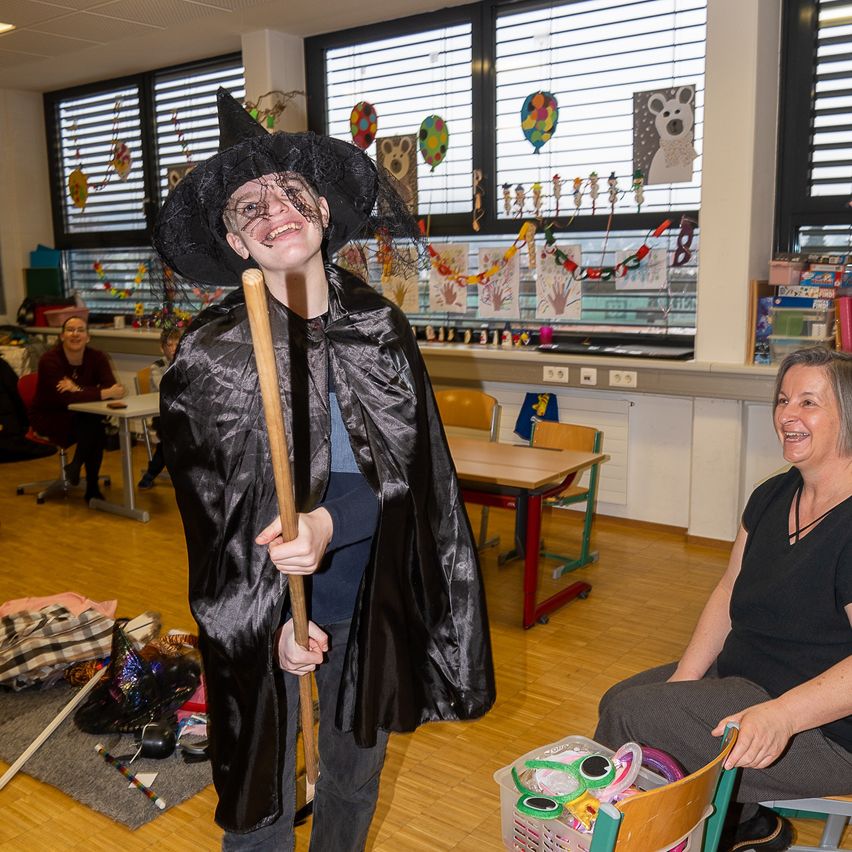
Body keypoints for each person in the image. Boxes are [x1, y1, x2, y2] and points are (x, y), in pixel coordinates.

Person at [154, 89, 495, 849]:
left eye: (289, 191)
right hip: (269, 612)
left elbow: (416, 479)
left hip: (367, 598)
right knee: (262, 797)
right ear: (236, 244)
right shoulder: (209, 357)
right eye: (249, 206)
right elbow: (214, 524)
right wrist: (264, 618)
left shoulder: (379, 326)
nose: (274, 209)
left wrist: (332, 518)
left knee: (350, 778)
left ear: (323, 211)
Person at [594, 346, 852, 852]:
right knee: (622, 701)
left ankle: (643, 838)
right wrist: (684, 681)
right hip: (748, 679)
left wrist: (784, 715)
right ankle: (744, 821)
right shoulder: (772, 496)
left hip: (825, 727)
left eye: (809, 402)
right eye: (782, 400)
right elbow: (727, 590)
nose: (788, 416)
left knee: (634, 718)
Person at [30, 316, 125, 503]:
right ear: (62, 336)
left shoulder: (97, 357)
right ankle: (91, 486)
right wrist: (99, 392)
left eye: (80, 330)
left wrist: (78, 389)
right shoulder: (49, 360)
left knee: (92, 421)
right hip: (50, 416)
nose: (75, 334)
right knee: (94, 425)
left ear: (88, 337)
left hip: (82, 416)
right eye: (70, 330)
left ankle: (77, 466)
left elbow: (112, 389)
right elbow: (64, 398)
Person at [137, 327, 182, 490]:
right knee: (169, 440)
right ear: (162, 348)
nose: (174, 348)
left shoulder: (188, 363)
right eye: (170, 345)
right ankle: (151, 473)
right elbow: (165, 387)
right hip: (161, 415)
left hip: (181, 414)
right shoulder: (158, 366)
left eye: (178, 344)